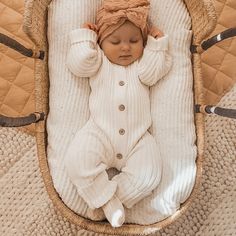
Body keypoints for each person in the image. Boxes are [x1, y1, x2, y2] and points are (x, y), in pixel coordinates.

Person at [64, 0, 172, 227]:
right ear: (102, 43)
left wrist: (156, 44)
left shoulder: (141, 66)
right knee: (77, 161)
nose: (125, 47)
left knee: (149, 173)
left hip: (138, 138)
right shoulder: (99, 61)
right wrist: (85, 38)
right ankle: (107, 202)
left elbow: (154, 72)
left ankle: (109, 201)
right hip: (100, 131)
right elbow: (78, 64)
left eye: (134, 41)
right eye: (115, 41)